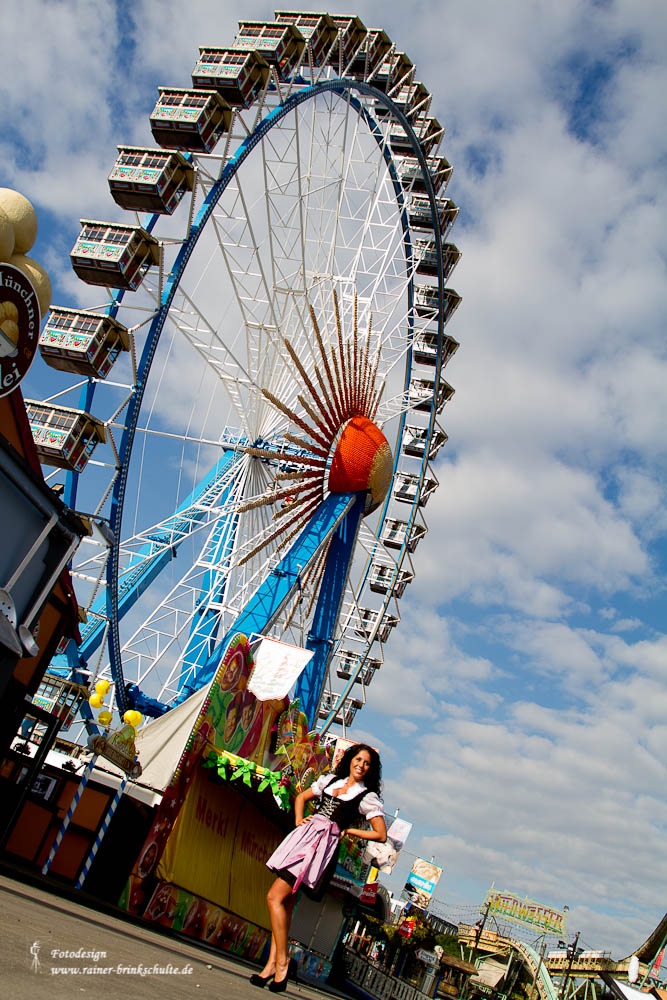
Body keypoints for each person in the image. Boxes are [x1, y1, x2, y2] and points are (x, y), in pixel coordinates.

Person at [250, 743, 386, 992]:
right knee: (285, 903)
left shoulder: (367, 797)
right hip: (304, 839)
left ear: (370, 770)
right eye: (358, 759)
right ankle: (271, 965)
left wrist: (349, 831)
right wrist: (299, 821)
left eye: (367, 763)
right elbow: (301, 797)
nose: (361, 765)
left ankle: (282, 962)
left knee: (274, 897)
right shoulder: (331, 780)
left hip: (322, 850)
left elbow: (380, 834)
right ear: (350, 760)